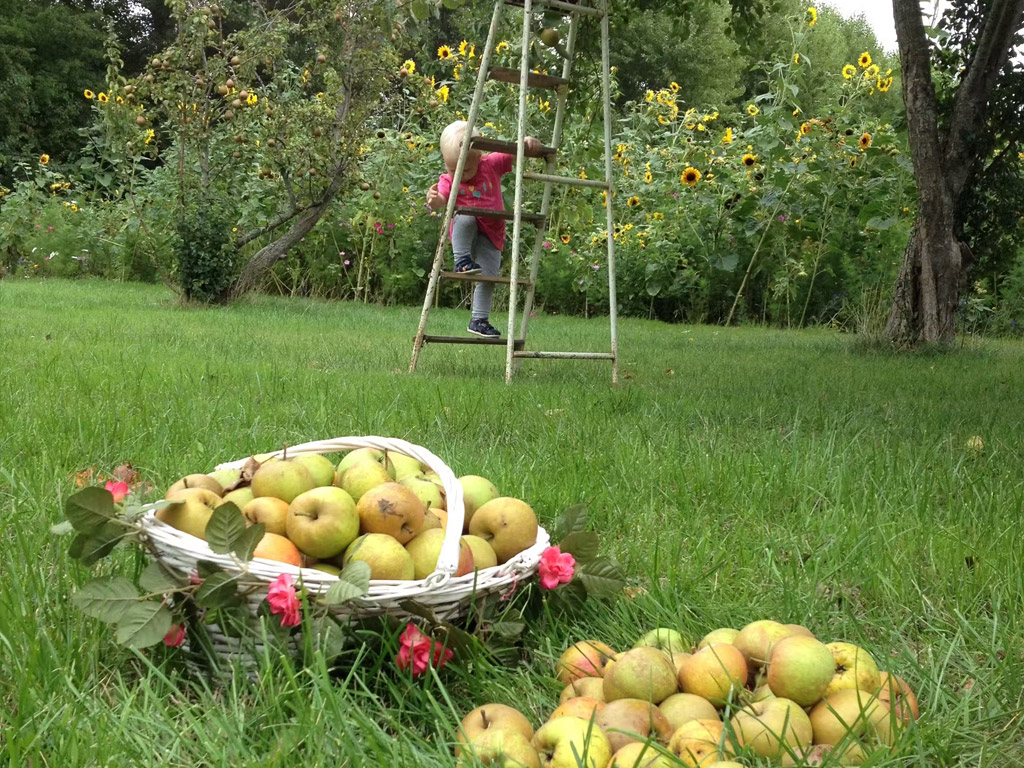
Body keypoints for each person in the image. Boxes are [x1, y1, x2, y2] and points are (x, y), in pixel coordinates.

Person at [426, 120, 542, 338]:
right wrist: (434, 201)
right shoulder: (448, 179)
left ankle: (479, 319)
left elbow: (513, 153)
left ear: (479, 157)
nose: (459, 173)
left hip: (492, 231)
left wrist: (525, 144)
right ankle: (461, 260)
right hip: (465, 232)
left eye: (466, 168)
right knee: (465, 216)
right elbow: (441, 199)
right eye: (453, 168)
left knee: (489, 277)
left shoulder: (491, 164)